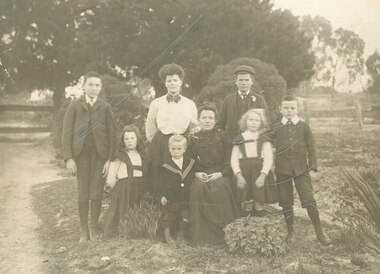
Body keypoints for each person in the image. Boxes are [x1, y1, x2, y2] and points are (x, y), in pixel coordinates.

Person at [62, 71, 116, 243]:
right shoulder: (75, 105)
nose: (93, 88)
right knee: (83, 191)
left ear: (100, 88)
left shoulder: (105, 107)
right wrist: (69, 157)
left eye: (97, 85)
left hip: (100, 156)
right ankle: (83, 230)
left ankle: (94, 228)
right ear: (84, 86)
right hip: (81, 155)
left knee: (97, 190)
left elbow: (112, 133)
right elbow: (66, 132)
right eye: (90, 84)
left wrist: (109, 159)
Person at [271, 95, 331, 245]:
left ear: (298, 109)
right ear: (280, 109)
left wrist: (312, 168)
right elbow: (267, 143)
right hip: (282, 169)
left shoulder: (304, 126)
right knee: (285, 201)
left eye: (292, 108)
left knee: (308, 199)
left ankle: (319, 232)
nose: (289, 111)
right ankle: (290, 231)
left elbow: (311, 149)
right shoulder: (276, 127)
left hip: (301, 169)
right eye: (286, 108)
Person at [188, 103, 240, 246]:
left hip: (220, 173)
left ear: (215, 120)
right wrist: (196, 173)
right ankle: (201, 236)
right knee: (198, 189)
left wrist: (221, 174)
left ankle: (225, 234)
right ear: (198, 120)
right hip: (200, 174)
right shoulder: (193, 138)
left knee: (220, 188)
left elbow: (231, 160)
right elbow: (188, 161)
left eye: (210, 117)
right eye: (204, 117)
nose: (207, 120)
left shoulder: (222, 136)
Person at [145, 63, 198, 194]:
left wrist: (187, 141)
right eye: (169, 80)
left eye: (175, 80)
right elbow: (150, 126)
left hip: (182, 143)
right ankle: (161, 204)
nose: (172, 83)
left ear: (181, 82)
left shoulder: (189, 104)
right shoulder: (156, 103)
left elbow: (194, 126)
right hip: (162, 143)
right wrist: (157, 144)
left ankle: (181, 205)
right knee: (161, 176)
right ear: (165, 83)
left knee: (181, 175)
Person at [231, 109, 277, 217]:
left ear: (261, 123)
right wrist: (238, 176)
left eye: (257, 120)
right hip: (244, 174)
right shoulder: (239, 139)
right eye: (250, 119)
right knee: (247, 203)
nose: (253, 122)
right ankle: (247, 227)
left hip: (259, 174)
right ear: (245, 121)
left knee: (259, 202)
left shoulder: (264, 139)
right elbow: (233, 160)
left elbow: (268, 159)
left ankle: (259, 227)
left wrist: (263, 176)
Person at [103, 125, 146, 237]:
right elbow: (112, 174)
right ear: (123, 141)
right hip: (123, 188)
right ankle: (121, 230)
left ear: (137, 139)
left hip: (139, 187)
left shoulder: (142, 155)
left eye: (132, 138)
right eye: (126, 139)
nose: (129, 141)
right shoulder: (119, 155)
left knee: (137, 209)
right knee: (122, 210)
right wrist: (109, 187)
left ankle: (136, 230)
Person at [158, 135, 196, 244]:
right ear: (169, 148)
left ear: (184, 149)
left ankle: (181, 235)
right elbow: (161, 183)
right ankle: (168, 236)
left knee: (186, 215)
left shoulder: (190, 163)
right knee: (169, 217)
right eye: (173, 149)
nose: (176, 151)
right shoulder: (166, 166)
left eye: (179, 149)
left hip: (185, 198)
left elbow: (194, 175)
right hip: (172, 198)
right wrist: (162, 195)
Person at [215, 65, 271, 140]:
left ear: (252, 81)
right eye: (241, 80)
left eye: (246, 80)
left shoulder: (259, 99)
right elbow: (220, 124)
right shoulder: (228, 100)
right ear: (236, 81)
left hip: (253, 144)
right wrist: (225, 139)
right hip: (232, 143)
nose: (243, 83)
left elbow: (266, 124)